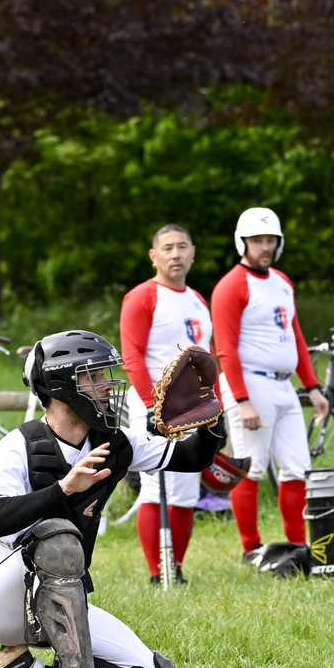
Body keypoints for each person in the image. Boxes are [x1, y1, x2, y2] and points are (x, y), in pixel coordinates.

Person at [0, 330, 224, 668]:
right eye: (94, 376)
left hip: (61, 596)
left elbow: (193, 457)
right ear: (59, 385)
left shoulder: (114, 441)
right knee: (57, 536)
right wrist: (63, 488)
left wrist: (212, 420)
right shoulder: (18, 446)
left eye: (104, 375)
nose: (106, 385)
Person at [212, 207, 329, 555]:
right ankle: (252, 549)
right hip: (251, 383)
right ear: (242, 243)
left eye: (270, 240)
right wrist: (242, 398)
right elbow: (226, 348)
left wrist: (313, 387)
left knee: (297, 467)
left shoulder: (281, 282)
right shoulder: (231, 286)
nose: (265, 246)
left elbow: (295, 336)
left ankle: (297, 544)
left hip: (283, 386)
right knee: (251, 467)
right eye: (257, 240)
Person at [120, 223, 214, 584]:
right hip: (154, 404)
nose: (176, 254)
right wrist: (149, 405)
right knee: (155, 484)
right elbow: (132, 355)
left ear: (193, 253)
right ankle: (157, 571)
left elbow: (205, 357)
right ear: (154, 255)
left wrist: (210, 401)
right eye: (168, 248)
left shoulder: (197, 299)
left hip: (194, 406)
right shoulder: (143, 296)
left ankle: (177, 567)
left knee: (187, 487)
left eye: (182, 247)